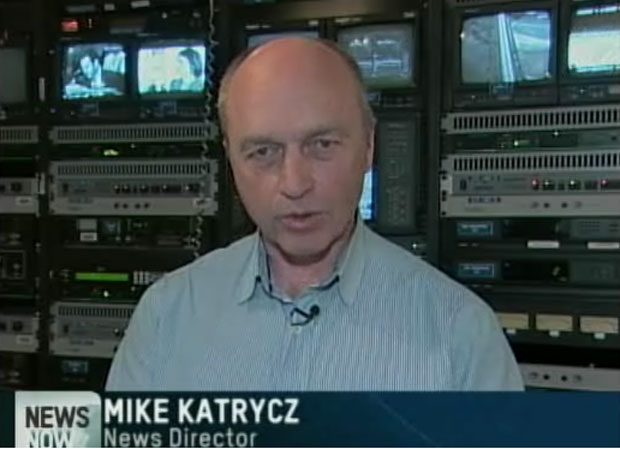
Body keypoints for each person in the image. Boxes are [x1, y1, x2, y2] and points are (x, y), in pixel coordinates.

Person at [106, 38, 524, 391]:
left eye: (322, 145)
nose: (294, 183)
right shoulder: (166, 316)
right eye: (263, 152)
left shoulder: (461, 334)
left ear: (369, 146)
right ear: (230, 159)